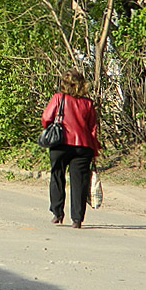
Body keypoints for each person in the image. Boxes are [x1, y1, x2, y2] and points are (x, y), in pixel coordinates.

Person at [41, 69, 100, 229]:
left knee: (57, 175)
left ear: (63, 83)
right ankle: (77, 219)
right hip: (83, 145)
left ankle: (57, 213)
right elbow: (92, 128)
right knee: (79, 182)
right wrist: (95, 150)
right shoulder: (88, 103)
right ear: (82, 84)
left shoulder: (58, 98)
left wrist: (51, 127)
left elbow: (46, 118)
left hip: (60, 143)